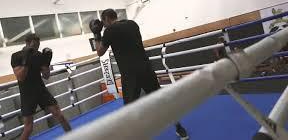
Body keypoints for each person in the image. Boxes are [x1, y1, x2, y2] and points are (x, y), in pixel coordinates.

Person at [90, 9, 189, 140]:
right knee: (160, 99)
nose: (104, 25)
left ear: (107, 19)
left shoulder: (109, 31)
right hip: (145, 69)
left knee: (129, 108)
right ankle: (180, 129)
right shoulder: (132, 24)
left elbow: (100, 52)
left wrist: (97, 33)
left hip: (130, 74)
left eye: (104, 22)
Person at [11, 34, 71, 140]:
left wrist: (47, 62)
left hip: (41, 90)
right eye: (35, 45)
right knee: (28, 128)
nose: (37, 48)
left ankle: (73, 136)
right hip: (27, 93)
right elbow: (21, 77)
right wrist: (26, 60)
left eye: (38, 46)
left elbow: (46, 76)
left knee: (60, 115)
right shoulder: (16, 56)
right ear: (28, 43)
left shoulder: (39, 55)